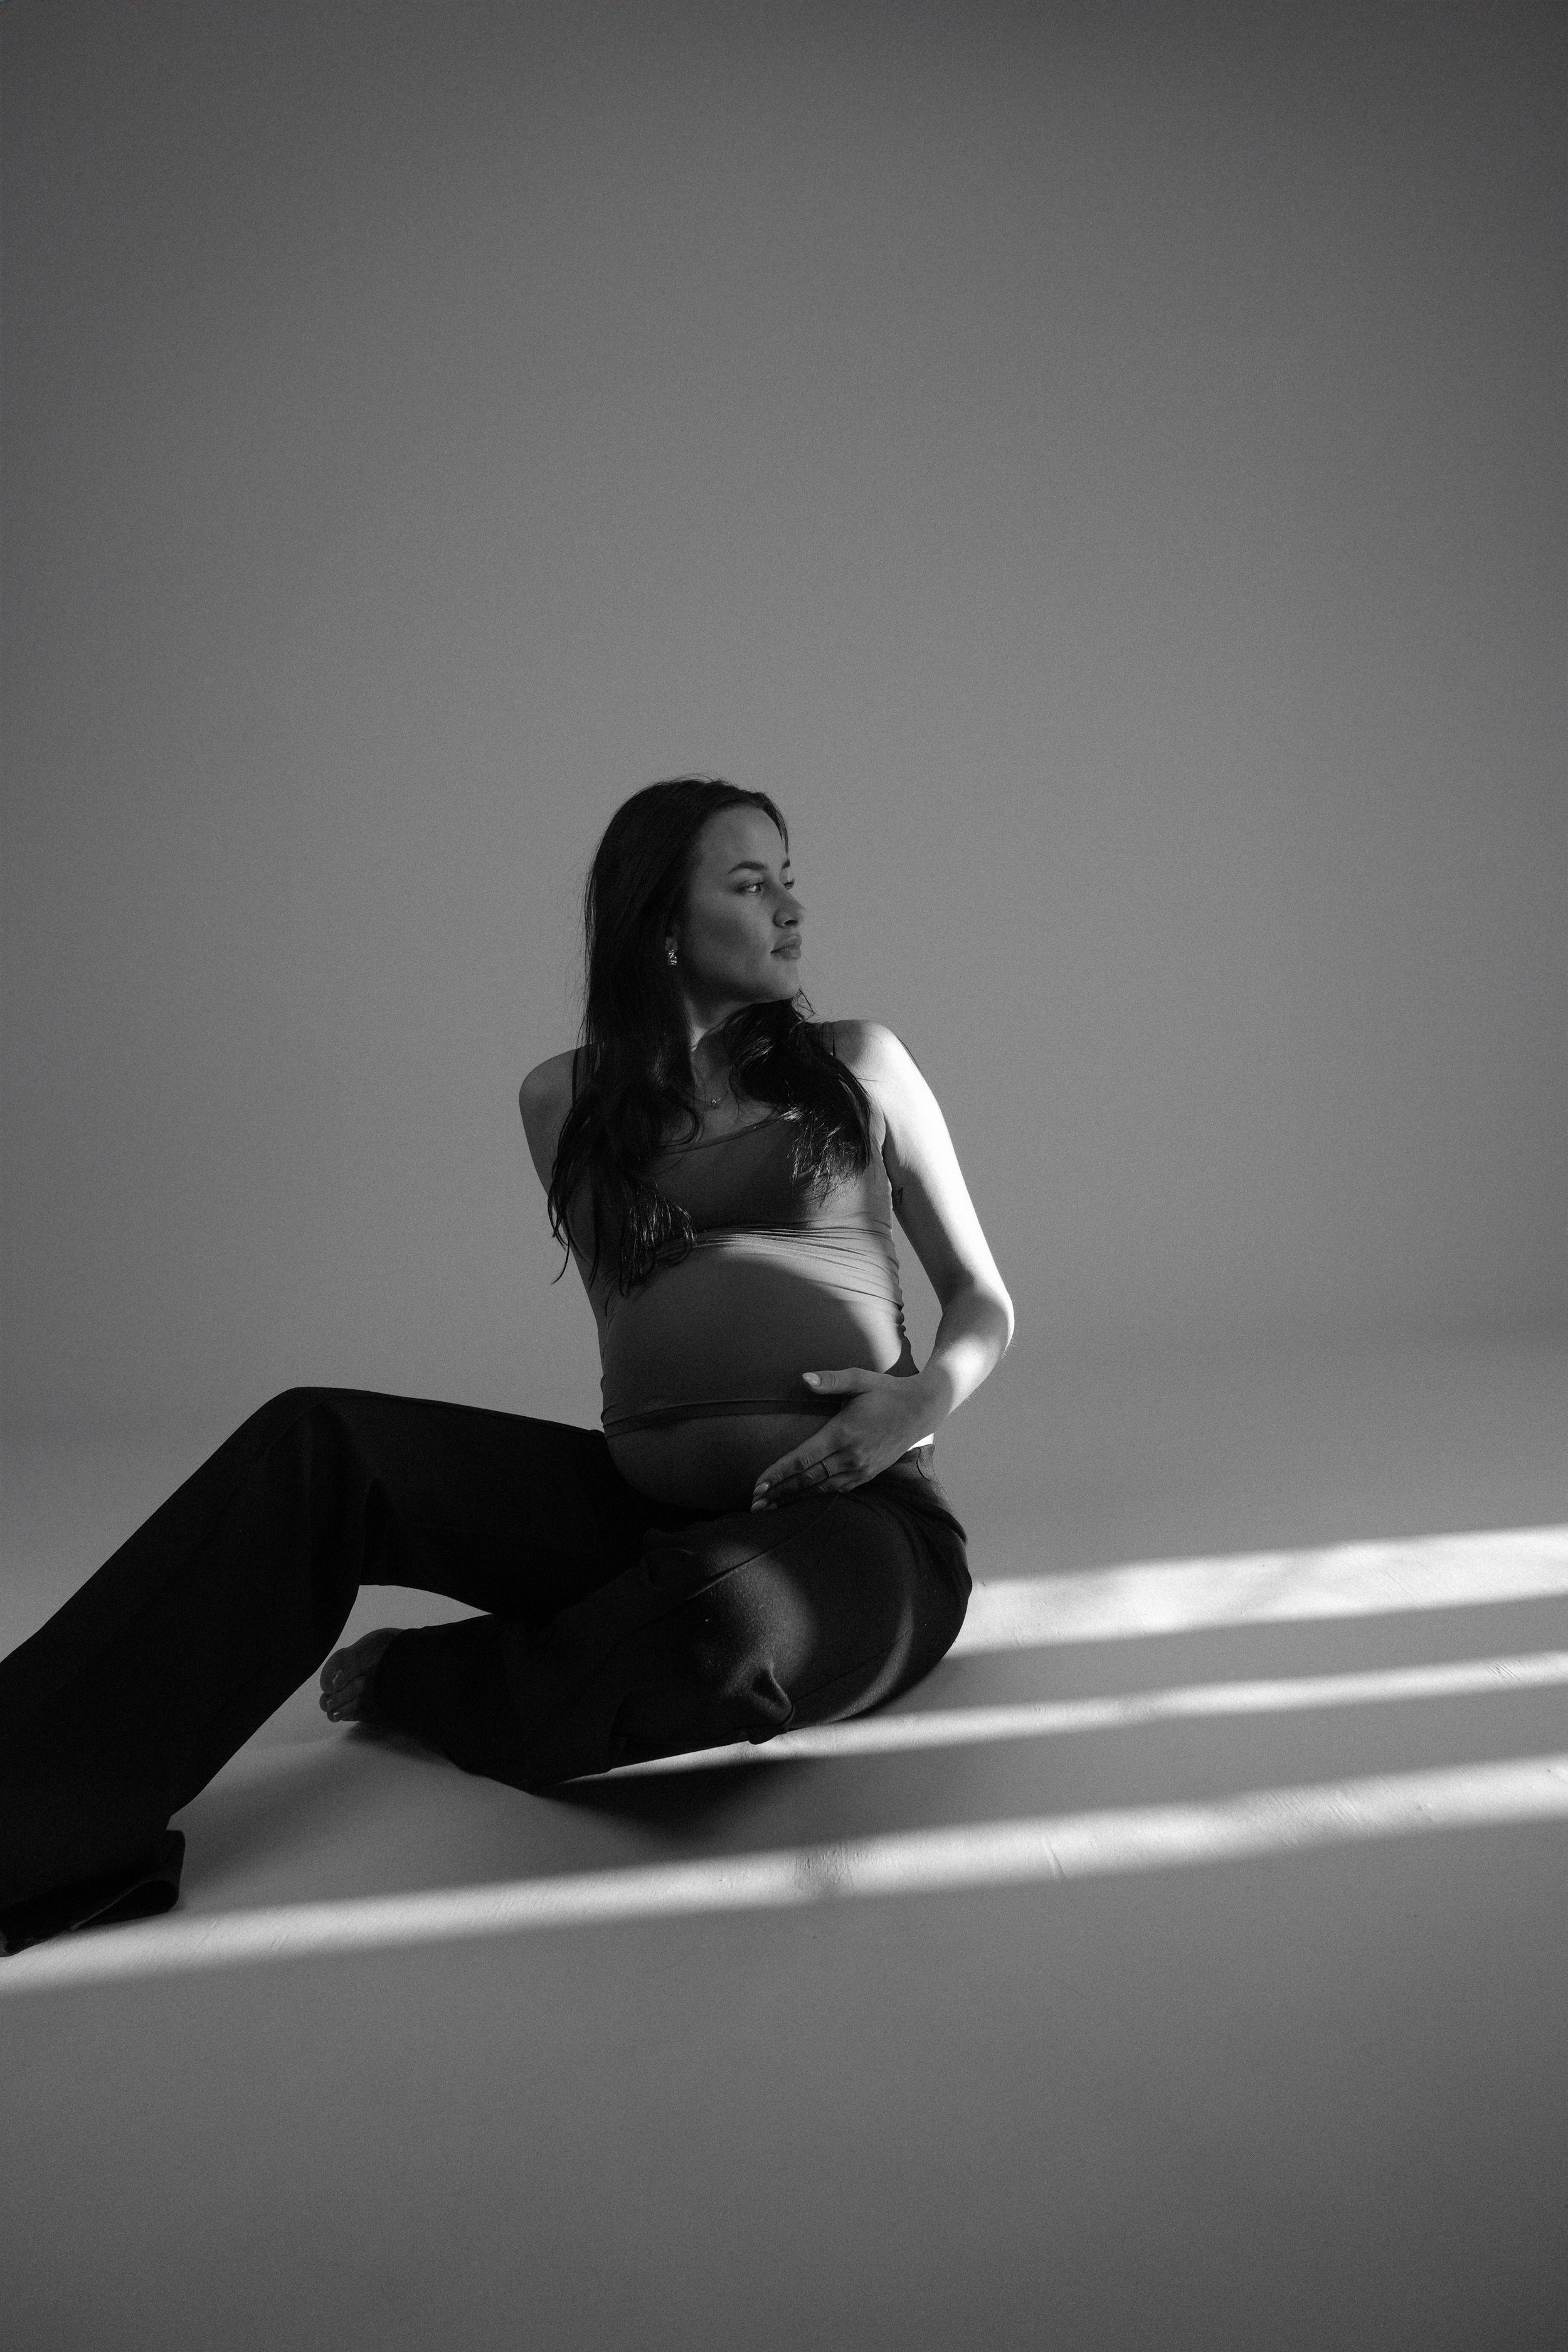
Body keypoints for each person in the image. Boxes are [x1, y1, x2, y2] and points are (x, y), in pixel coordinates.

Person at [0, 776, 1014, 1954]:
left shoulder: (862, 1064)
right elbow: (641, 1339)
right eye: (751, 883)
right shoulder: (562, 1104)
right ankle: (30, 1818)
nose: (791, 908)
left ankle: (446, 1681)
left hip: (864, 1524)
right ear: (662, 926)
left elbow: (983, 1297)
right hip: (642, 1524)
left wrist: (917, 1403)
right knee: (318, 1444)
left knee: (730, 1628)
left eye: (791, 879)